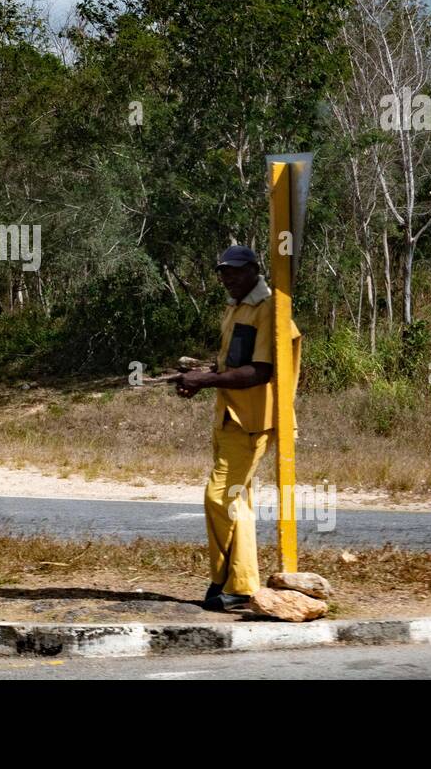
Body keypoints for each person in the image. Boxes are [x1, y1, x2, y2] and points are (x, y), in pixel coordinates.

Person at [172, 244, 301, 612]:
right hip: (228, 416)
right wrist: (198, 377)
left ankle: (234, 583)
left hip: (252, 421)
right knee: (236, 500)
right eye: (223, 272)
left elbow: (260, 372)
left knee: (220, 497)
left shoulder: (270, 309)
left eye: (234, 271)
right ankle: (235, 583)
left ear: (253, 270)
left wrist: (205, 382)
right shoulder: (234, 307)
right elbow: (231, 364)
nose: (227, 278)